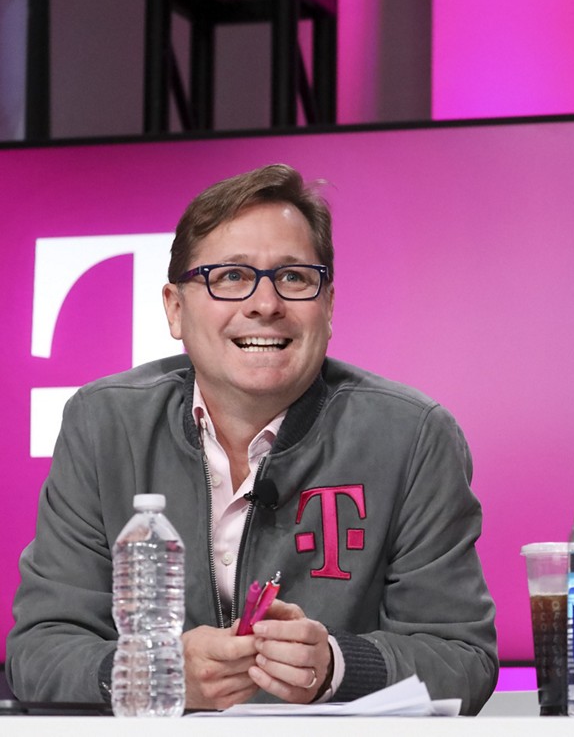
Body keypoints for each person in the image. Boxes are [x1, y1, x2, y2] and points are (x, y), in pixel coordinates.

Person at [6, 164, 498, 713]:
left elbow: (462, 660)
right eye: (231, 276)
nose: (265, 304)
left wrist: (336, 665)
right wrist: (156, 674)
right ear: (175, 308)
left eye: (293, 277)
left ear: (328, 307)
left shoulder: (413, 437)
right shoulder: (103, 424)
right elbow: (38, 653)